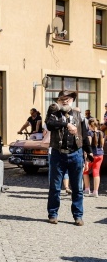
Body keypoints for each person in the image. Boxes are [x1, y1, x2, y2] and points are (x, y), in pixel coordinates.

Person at [46, 90, 93, 226]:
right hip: (58, 154)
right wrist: (66, 124)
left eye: (67, 98)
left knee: (77, 188)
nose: (65, 101)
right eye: (62, 99)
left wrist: (89, 152)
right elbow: (50, 124)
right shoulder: (54, 112)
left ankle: (78, 216)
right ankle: (53, 214)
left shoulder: (79, 115)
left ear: (73, 100)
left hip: (76, 154)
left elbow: (84, 136)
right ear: (58, 100)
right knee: (55, 187)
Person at [83, 118, 104, 197]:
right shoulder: (101, 133)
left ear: (89, 125)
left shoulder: (89, 133)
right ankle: (96, 191)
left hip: (91, 155)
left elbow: (88, 146)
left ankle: (87, 189)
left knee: (85, 171)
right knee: (96, 172)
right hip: (100, 155)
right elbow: (102, 145)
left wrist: (85, 156)